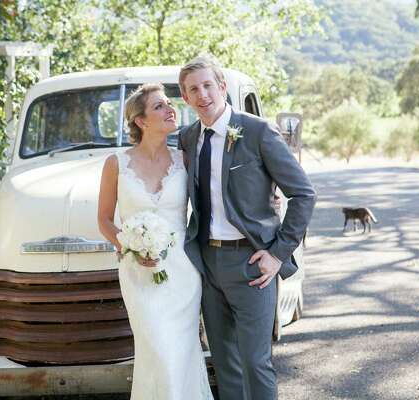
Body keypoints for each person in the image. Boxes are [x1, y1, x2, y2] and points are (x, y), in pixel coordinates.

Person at [178, 56, 316, 400]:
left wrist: (277, 253)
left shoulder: (256, 130)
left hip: (252, 263)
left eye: (208, 85)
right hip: (208, 263)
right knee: (225, 365)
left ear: (222, 87)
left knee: (256, 362)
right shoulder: (188, 137)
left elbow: (303, 193)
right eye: (193, 89)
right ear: (185, 97)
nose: (202, 94)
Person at [98, 83, 214, 400]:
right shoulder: (115, 164)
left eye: (169, 104)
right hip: (138, 273)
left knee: (181, 353)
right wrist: (130, 248)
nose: (170, 109)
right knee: (158, 350)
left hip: (183, 273)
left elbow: (208, 206)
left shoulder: (184, 160)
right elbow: (105, 220)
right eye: (160, 106)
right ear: (141, 121)